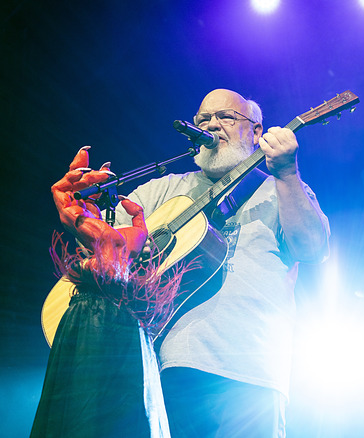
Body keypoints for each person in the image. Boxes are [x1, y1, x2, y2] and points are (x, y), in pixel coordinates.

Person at [112, 88, 330, 437]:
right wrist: (79, 217)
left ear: (256, 132)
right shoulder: (163, 190)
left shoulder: (282, 188)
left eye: (226, 117)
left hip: (251, 373)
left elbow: (312, 248)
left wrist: (287, 174)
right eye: (203, 120)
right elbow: (108, 243)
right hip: (169, 365)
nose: (212, 125)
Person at [32, 147, 178, 437]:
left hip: (125, 315)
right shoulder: (97, 225)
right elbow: (63, 196)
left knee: (130, 404)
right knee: (87, 408)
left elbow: (137, 229)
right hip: (97, 311)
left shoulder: (120, 233)